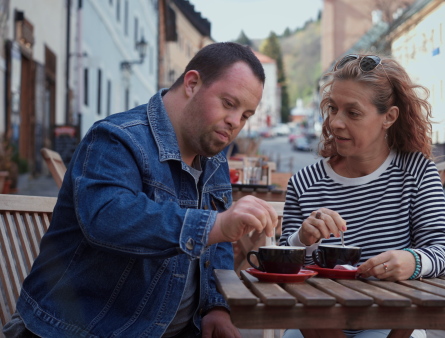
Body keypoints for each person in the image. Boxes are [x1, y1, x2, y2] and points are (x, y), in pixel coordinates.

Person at [3, 42, 278, 337]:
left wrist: (215, 308)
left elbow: (218, 244)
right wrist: (216, 224)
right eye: (228, 103)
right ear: (192, 83)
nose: (235, 122)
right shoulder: (116, 139)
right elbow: (107, 219)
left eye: (246, 115)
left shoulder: (214, 159)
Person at [279, 54, 445, 338]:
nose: (336, 123)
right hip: (316, 322)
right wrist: (302, 239)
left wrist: (412, 261)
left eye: (352, 113)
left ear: (388, 117)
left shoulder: (416, 172)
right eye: (333, 108)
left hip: (391, 322)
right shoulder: (305, 182)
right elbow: (281, 268)